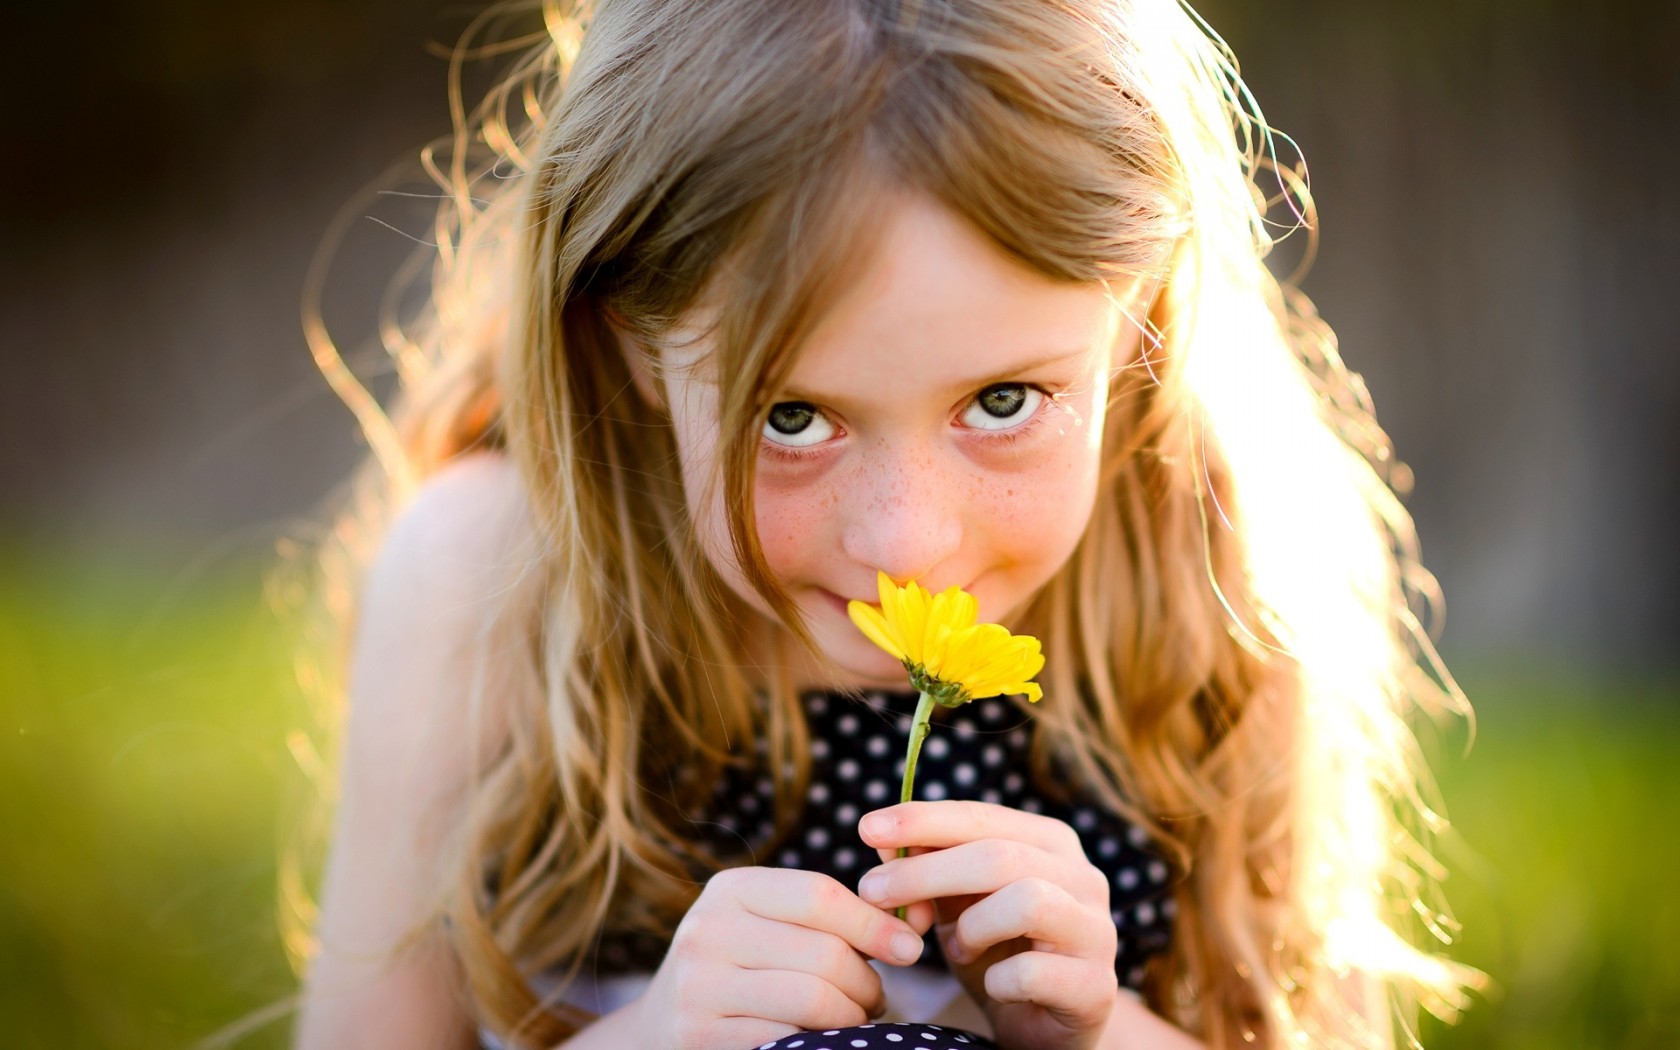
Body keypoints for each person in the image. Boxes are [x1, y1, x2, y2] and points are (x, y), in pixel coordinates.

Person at [281, 1, 1487, 1047]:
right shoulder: (493, 579)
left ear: (1136, 323)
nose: (909, 545)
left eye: (1003, 403)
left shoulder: (1226, 586)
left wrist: (1092, 1027)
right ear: (635, 348)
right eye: (794, 418)